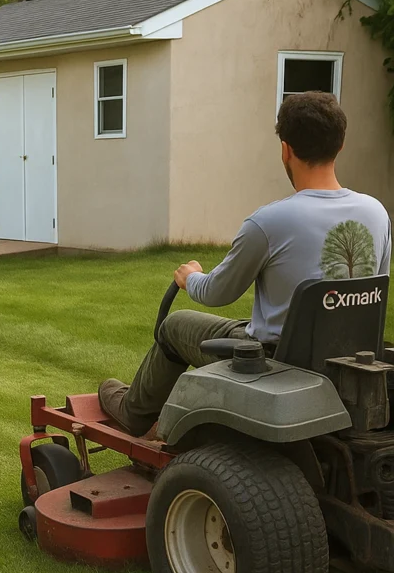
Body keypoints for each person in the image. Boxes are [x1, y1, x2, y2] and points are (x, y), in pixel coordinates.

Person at [99, 91, 392, 437]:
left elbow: (216, 292)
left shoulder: (269, 222)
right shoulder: (376, 213)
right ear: (339, 146)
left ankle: (133, 412)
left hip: (273, 360)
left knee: (176, 325)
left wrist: (190, 278)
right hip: (348, 356)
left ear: (285, 148)